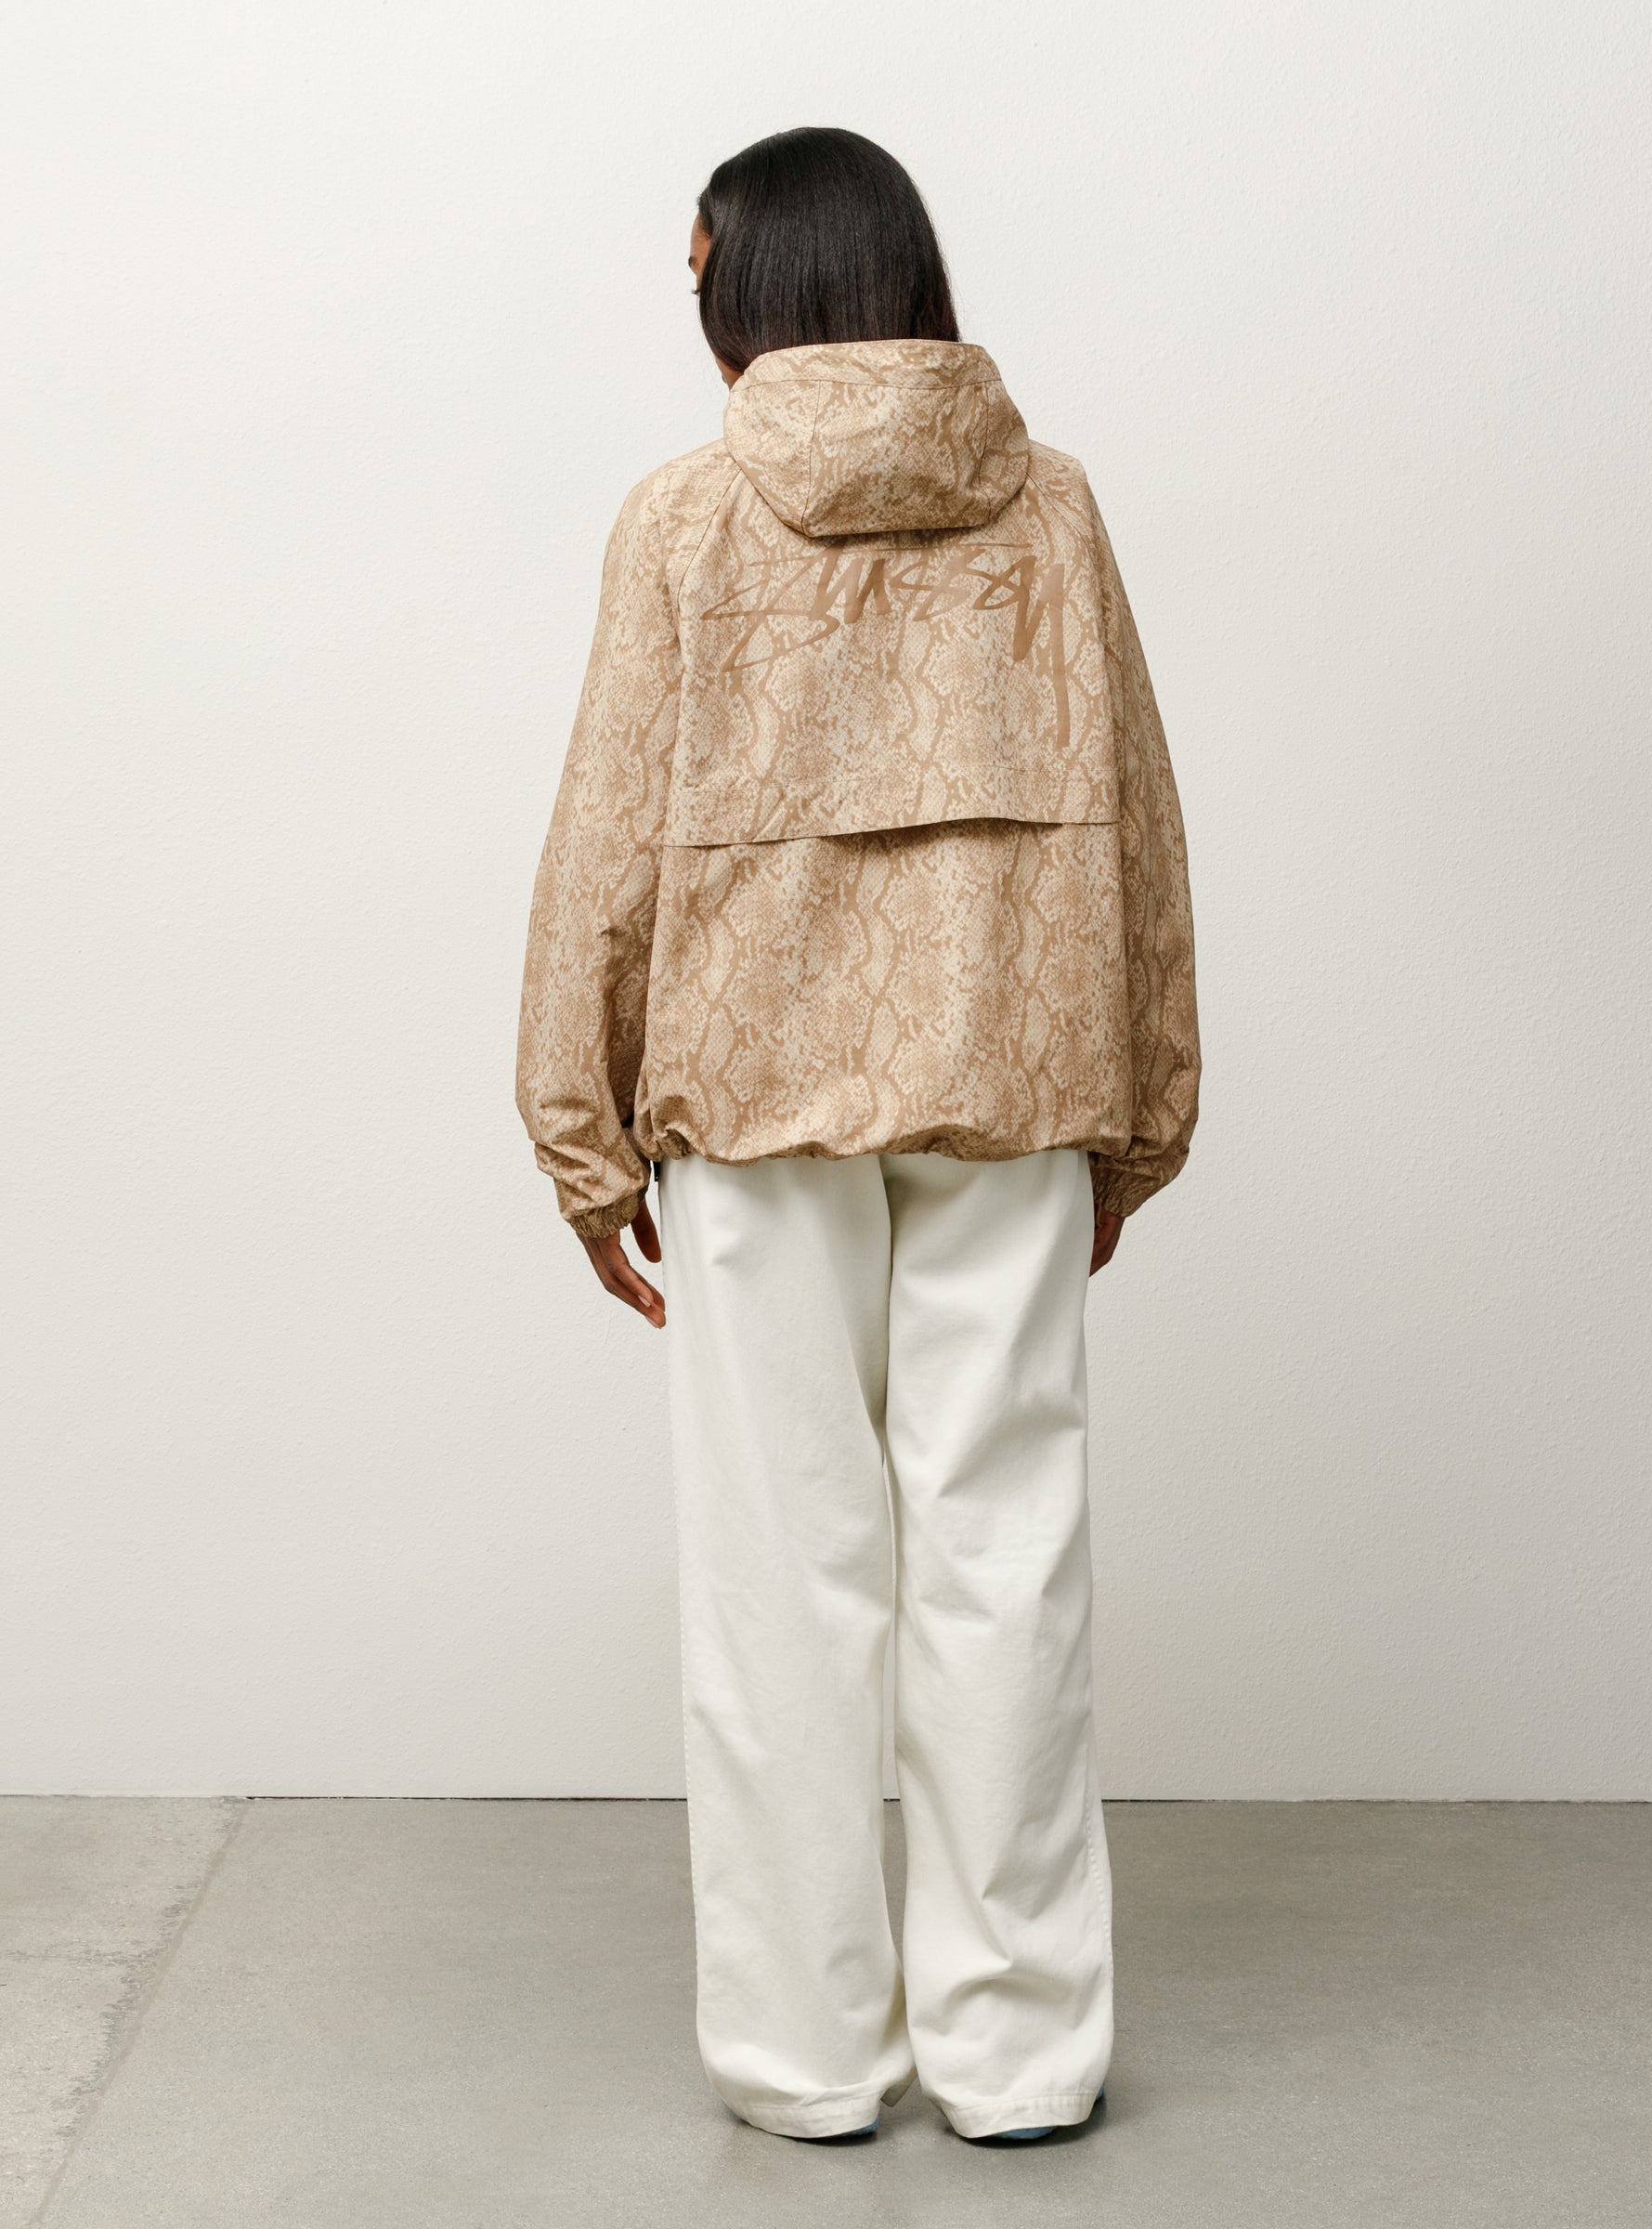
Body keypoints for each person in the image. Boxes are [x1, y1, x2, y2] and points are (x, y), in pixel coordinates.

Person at [516, 125, 1199, 2146]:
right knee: (1009, 1563)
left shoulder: (685, 515)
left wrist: (578, 1133)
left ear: (755, 278)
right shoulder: (1051, 505)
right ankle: (1018, 2054)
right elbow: (1142, 824)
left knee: (780, 1576)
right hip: (1014, 1080)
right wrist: (1141, 1119)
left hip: (750, 1102)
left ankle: (809, 2056)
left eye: (699, 263)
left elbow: (606, 838)